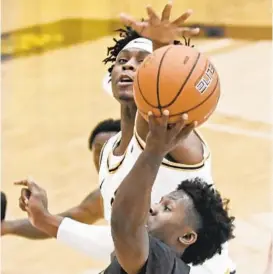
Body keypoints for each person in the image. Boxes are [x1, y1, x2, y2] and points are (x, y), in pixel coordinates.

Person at [2, 3, 235, 273]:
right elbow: (120, 236)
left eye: (142, 61)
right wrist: (43, 220)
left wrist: (160, 46)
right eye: (122, 61)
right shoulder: (109, 149)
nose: (128, 67)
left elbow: (164, 103)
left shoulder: (175, 140)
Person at [15, 111, 235, 274]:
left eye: (166, 208)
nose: (152, 206)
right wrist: (43, 219)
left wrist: (154, 150)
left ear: (187, 236)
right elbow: (113, 237)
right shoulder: (147, 259)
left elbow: (123, 227)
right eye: (160, 202)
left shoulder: (162, 266)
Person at [0, 118, 121, 238]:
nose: (104, 157)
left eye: (112, 149)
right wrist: (7, 227)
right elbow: (56, 225)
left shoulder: (138, 186)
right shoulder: (102, 198)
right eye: (99, 150)